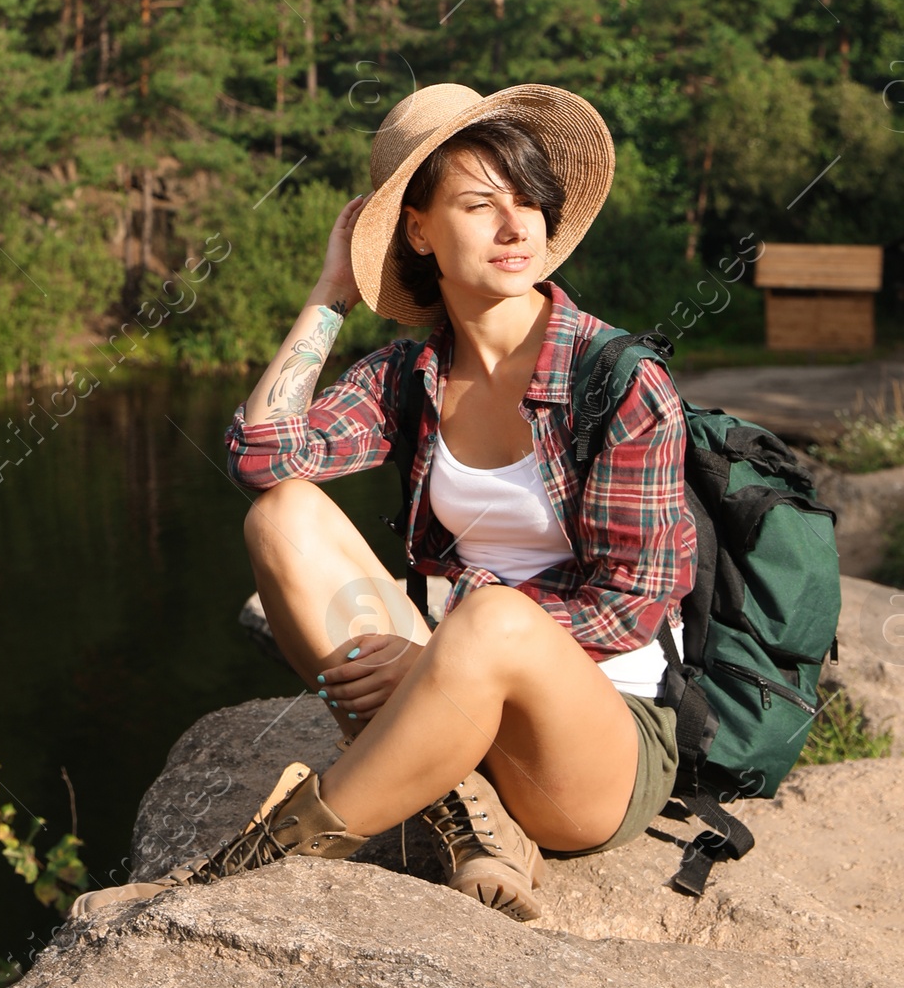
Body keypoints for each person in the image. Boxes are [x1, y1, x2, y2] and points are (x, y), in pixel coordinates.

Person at [71, 80, 695, 927]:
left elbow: (635, 597)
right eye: (480, 205)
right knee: (280, 517)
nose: (518, 229)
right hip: (452, 686)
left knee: (494, 618)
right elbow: (258, 457)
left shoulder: (618, 380)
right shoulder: (411, 375)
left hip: (593, 742)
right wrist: (331, 295)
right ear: (418, 228)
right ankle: (460, 808)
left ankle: (261, 860)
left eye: (531, 203)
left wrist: (444, 651)